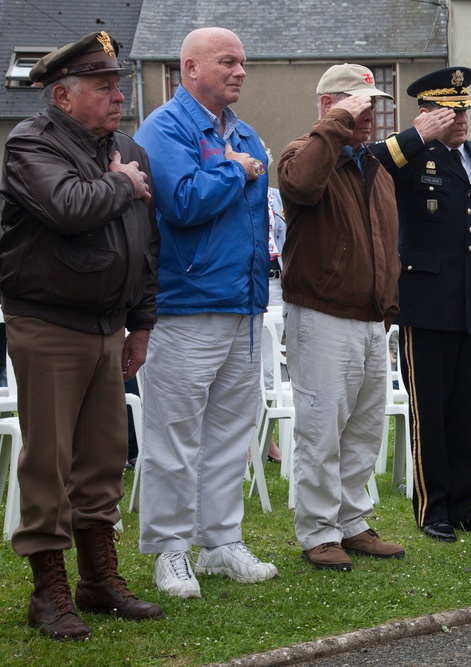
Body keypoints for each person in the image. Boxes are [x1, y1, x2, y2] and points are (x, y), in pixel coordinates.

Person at [0, 31, 163, 639]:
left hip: (108, 323)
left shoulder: (122, 148)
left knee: (102, 456)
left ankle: (99, 578)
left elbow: (146, 245)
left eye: (118, 85)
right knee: (49, 459)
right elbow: (67, 207)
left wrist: (141, 322)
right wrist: (121, 183)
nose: (118, 97)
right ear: (63, 97)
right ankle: (48, 591)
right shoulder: (30, 144)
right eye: (104, 88)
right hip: (47, 323)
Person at [134, 27, 277, 598]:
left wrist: (241, 164)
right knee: (173, 436)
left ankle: (221, 541)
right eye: (227, 62)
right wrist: (235, 170)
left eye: (243, 62)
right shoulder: (162, 128)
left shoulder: (244, 132)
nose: (240, 71)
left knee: (228, 433)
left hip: (243, 304)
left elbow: (260, 216)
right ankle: (170, 551)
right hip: (186, 306)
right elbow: (182, 202)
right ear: (189, 68)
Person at [278, 63, 404, 570]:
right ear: (328, 105)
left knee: (363, 430)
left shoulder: (370, 167)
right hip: (321, 314)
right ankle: (317, 530)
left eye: (371, 106)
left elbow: (385, 242)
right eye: (357, 105)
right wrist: (333, 126)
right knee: (320, 428)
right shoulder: (303, 152)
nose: (368, 116)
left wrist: (388, 304)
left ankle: (352, 521)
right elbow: (303, 185)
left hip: (370, 318)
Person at [369, 66, 471, 542]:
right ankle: (434, 507)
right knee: (432, 409)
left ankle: (465, 504)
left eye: (464, 109)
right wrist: (416, 137)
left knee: (468, 407)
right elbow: (369, 164)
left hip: (468, 302)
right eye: (449, 111)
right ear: (426, 113)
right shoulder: (408, 157)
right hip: (424, 302)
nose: (460, 119)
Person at [263, 184, 286, 463]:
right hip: (249, 281)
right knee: (249, 367)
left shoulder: (275, 195)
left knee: (270, 370)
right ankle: (252, 440)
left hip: (277, 283)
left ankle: (265, 437)